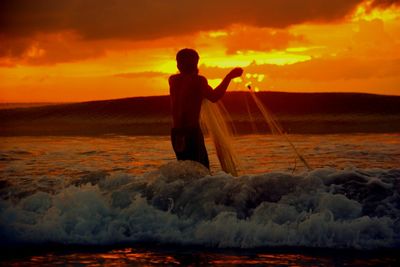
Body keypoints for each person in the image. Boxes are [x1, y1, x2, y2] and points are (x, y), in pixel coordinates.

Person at [169, 48, 243, 169]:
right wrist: (229, 77)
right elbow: (214, 97)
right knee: (202, 170)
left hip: (176, 133)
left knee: (185, 170)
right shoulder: (199, 80)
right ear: (196, 64)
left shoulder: (173, 80)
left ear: (178, 64)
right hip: (191, 132)